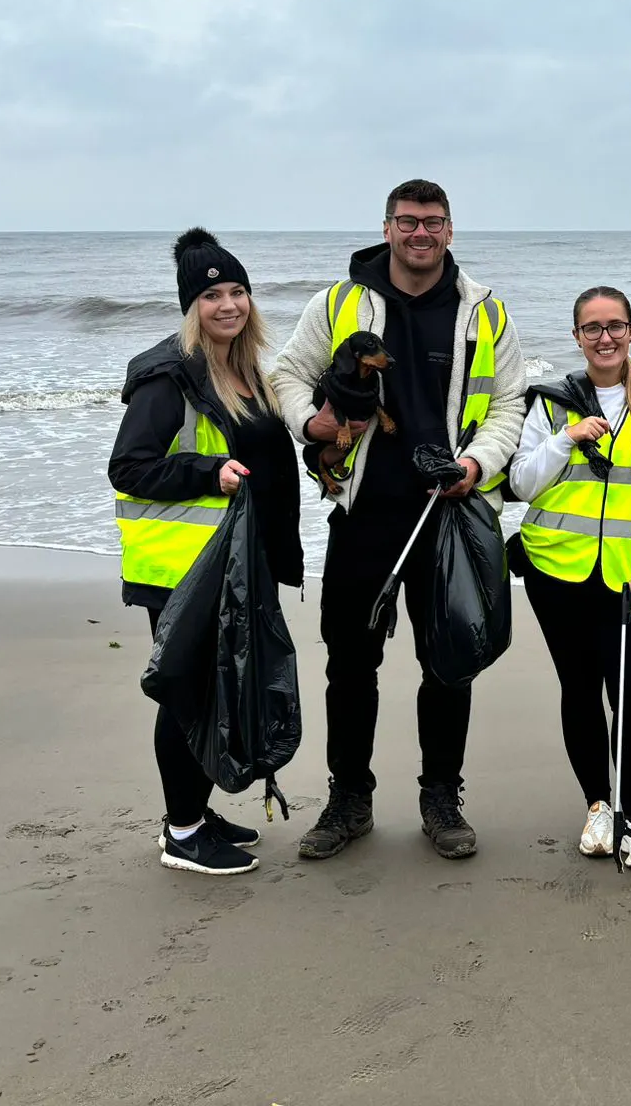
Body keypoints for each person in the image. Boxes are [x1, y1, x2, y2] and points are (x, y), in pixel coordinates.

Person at [269, 180, 526, 861]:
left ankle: (441, 797)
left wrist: (473, 466)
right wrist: (312, 421)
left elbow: (510, 403)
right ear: (386, 228)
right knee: (350, 665)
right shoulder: (338, 301)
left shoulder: (486, 311)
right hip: (364, 515)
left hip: (449, 516)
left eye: (433, 222)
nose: (421, 233)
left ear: (450, 229)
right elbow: (287, 374)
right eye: (408, 222)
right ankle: (348, 797)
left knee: (449, 664)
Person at [109, 229, 303, 876]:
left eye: (238, 290)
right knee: (188, 695)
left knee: (219, 691)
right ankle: (183, 832)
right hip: (181, 568)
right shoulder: (168, 374)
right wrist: (207, 470)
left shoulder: (246, 371)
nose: (229, 304)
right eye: (212, 294)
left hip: (238, 564)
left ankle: (195, 810)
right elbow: (129, 467)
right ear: (191, 306)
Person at [509, 288, 631, 869]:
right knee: (580, 691)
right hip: (556, 570)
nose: (605, 338)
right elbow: (523, 484)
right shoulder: (553, 403)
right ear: (576, 336)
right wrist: (567, 438)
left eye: (616, 326)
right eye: (592, 328)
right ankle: (597, 806)